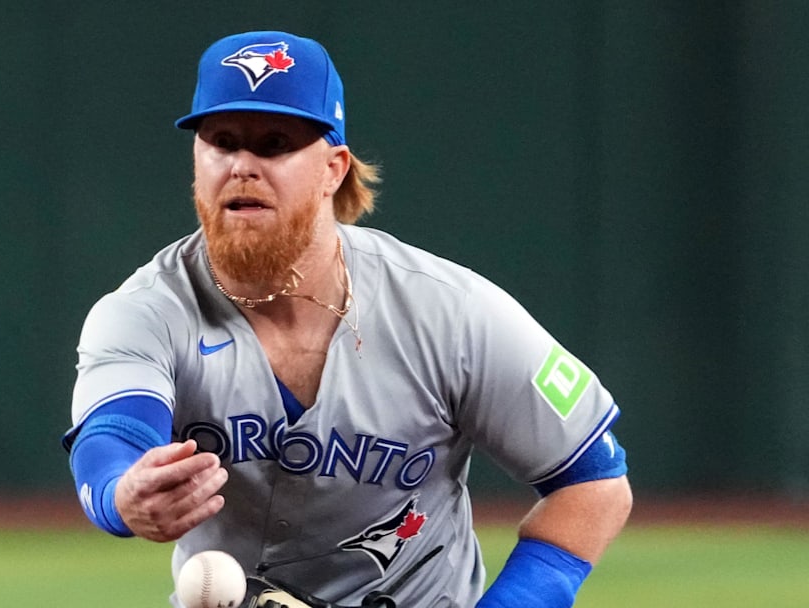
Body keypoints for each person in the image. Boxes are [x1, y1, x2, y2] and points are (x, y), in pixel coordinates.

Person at [63, 30, 632, 607]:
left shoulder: (446, 310)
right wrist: (120, 494)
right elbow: (115, 435)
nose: (241, 165)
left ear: (334, 168)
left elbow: (595, 483)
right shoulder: (146, 312)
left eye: (275, 143)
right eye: (222, 141)